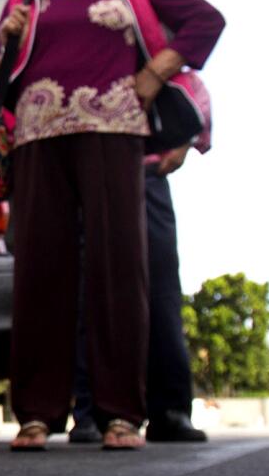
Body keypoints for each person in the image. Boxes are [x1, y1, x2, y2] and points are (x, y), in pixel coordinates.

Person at [0, 0, 224, 451]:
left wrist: (153, 74)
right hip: (38, 137)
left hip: (115, 127)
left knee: (121, 267)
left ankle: (122, 414)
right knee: (40, 269)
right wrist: (11, 36)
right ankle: (38, 415)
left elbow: (204, 21)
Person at [70, 71, 214, 444]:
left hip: (145, 172)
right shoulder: (94, 52)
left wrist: (184, 140)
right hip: (90, 177)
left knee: (161, 291)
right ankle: (88, 412)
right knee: (91, 291)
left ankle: (170, 409)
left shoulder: (163, 63)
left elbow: (193, 95)